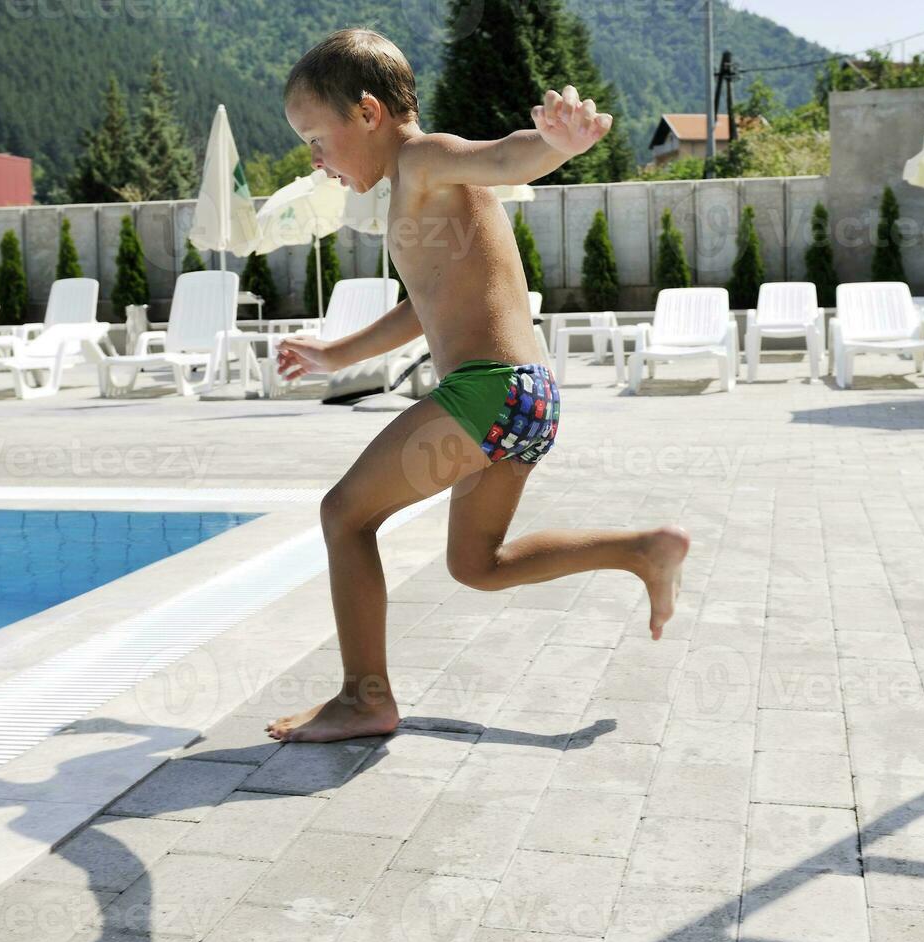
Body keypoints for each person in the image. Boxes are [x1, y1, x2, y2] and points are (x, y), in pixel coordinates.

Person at [269, 28, 689, 744]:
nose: (316, 160)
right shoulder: (412, 192)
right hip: (528, 397)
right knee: (477, 565)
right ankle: (640, 549)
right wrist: (335, 355)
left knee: (345, 514)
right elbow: (422, 307)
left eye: (316, 138)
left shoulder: (425, 159)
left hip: (489, 392)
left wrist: (557, 144)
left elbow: (500, 157)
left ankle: (364, 698)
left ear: (368, 113)